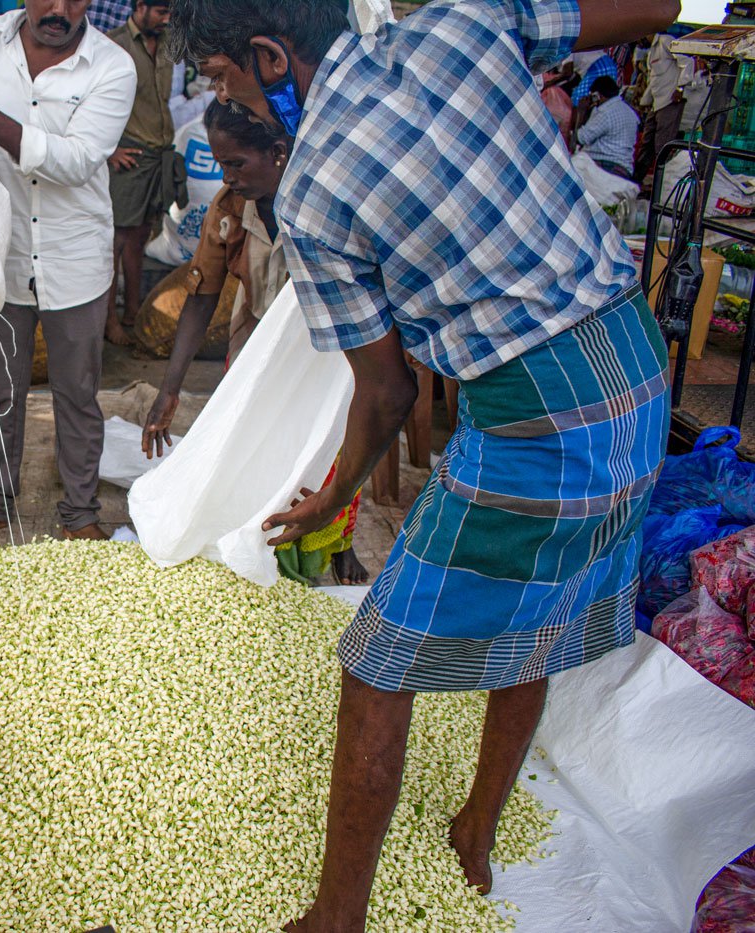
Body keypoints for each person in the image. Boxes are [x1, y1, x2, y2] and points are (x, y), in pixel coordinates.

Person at [165, 0, 677, 930]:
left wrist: (332, 496)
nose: (225, 96)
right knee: (547, 606)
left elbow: (388, 397)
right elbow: (658, 8)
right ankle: (475, 830)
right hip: (635, 365)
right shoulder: (459, 19)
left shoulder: (314, 192)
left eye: (226, 78)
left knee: (376, 661)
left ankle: (336, 917)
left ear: (273, 57)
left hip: (539, 412)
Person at [142, 100, 369, 586]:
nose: (228, 177)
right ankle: (257, 534)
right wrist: (170, 389)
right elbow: (202, 295)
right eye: (221, 164)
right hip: (256, 339)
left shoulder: (318, 203)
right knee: (252, 440)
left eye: (237, 164)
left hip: (325, 348)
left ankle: (337, 540)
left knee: (328, 447)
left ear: (280, 154)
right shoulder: (229, 208)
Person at [0, 0, 135, 547]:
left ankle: (79, 513)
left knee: (77, 392)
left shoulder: (112, 66)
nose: (58, 9)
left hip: (73, 256)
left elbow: (74, 161)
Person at [105, 0, 184, 346]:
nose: (167, 19)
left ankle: (133, 312)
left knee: (139, 238)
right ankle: (109, 323)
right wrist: (108, 151)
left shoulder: (168, 43)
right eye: (161, 12)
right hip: (130, 154)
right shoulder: (113, 45)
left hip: (158, 153)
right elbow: (87, 102)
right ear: (140, 7)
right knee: (115, 245)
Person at [635, 32, 683, 186]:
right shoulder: (651, 52)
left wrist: (680, 89)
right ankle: (635, 182)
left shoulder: (666, 41)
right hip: (657, 103)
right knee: (647, 144)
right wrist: (644, 101)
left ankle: (662, 187)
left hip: (669, 102)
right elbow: (655, 79)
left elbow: (687, 62)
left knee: (662, 147)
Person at [577, 75, 640, 180]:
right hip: (625, 167)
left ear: (597, 95)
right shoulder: (629, 111)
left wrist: (581, 112)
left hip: (606, 164)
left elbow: (581, 138)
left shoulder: (605, 112)